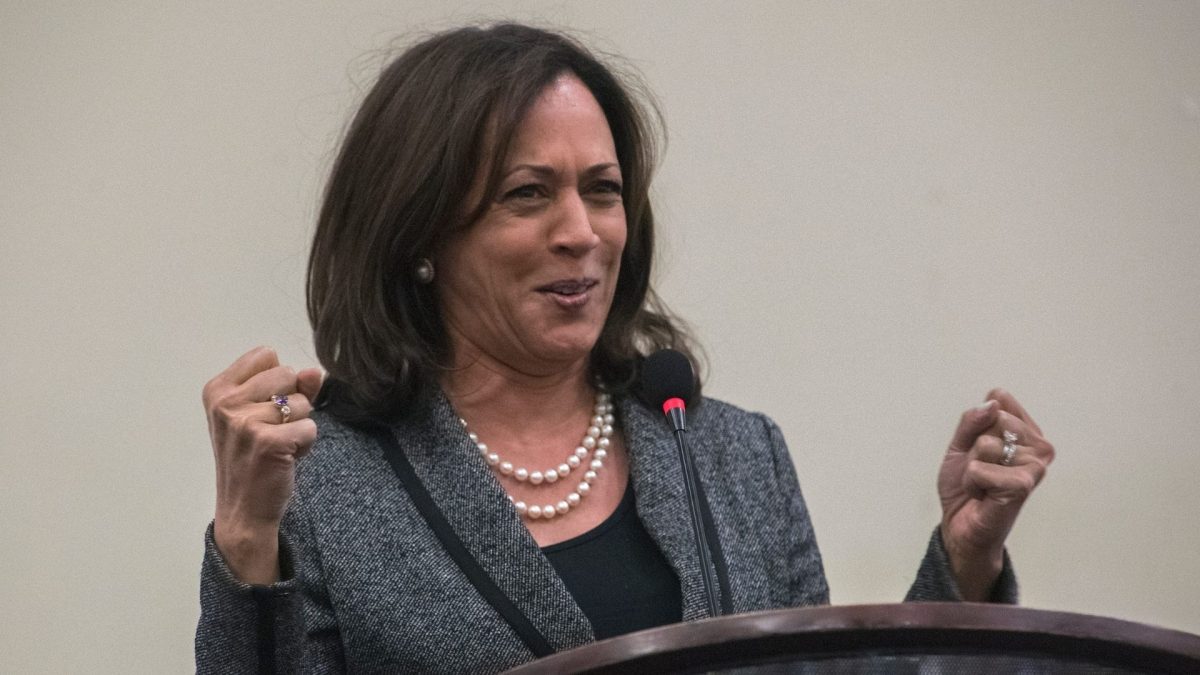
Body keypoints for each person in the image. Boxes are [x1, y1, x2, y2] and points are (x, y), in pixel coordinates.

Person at [196, 23, 1055, 673]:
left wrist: (964, 563)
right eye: (527, 194)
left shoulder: (731, 453)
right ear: (420, 235)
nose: (582, 233)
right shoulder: (326, 486)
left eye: (602, 191)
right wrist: (245, 536)